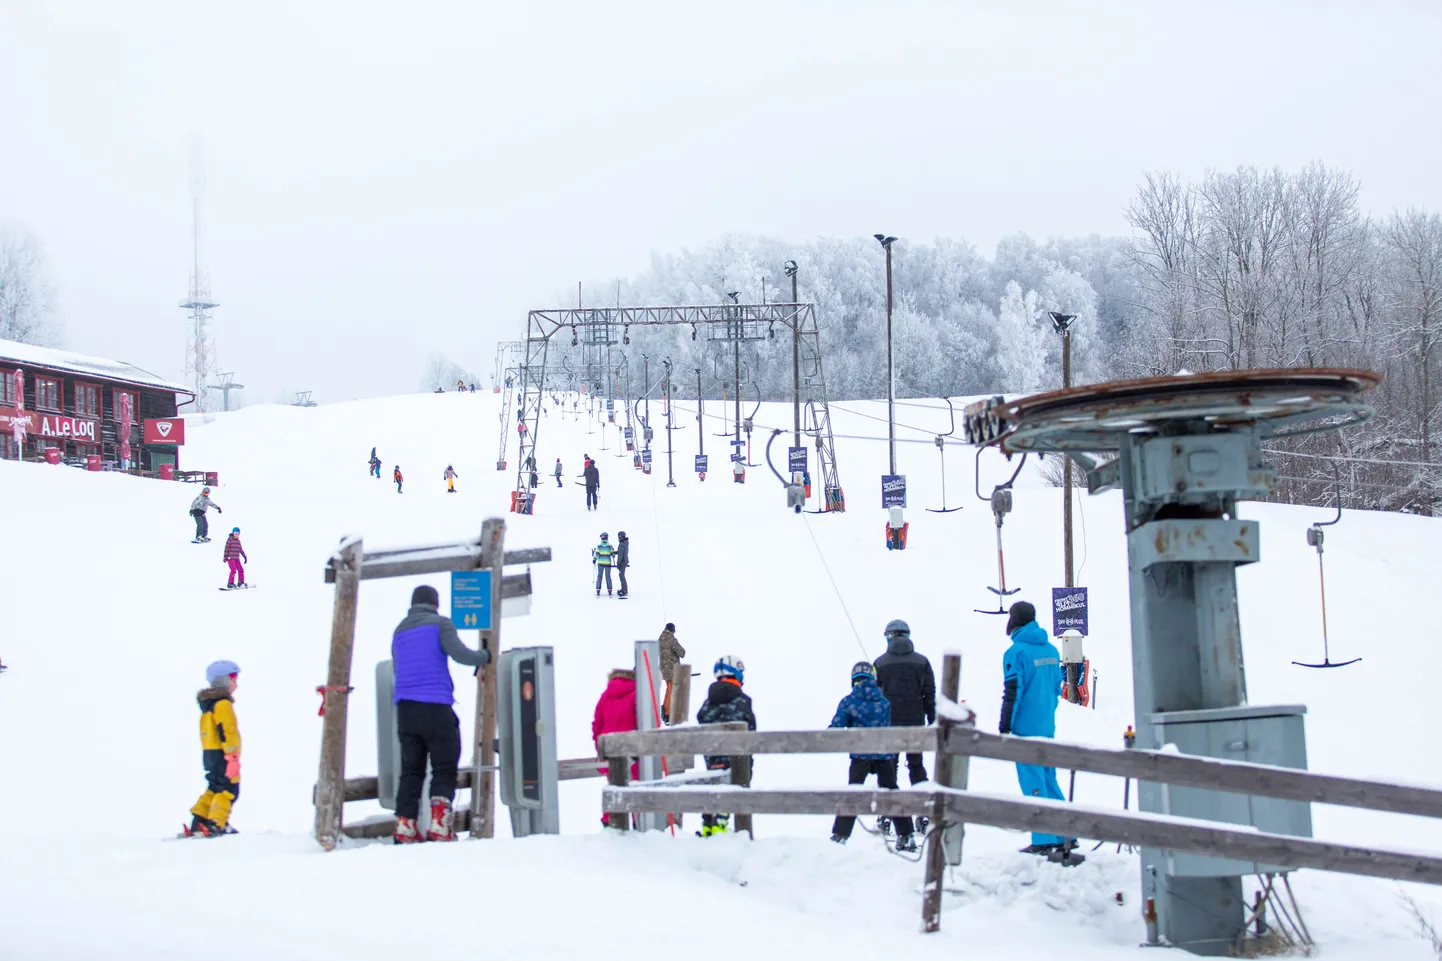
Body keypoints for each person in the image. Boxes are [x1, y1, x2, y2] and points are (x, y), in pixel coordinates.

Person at [391, 585, 490, 843]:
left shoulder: (399, 631)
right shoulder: (440, 624)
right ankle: (439, 825)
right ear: (435, 604)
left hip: (405, 710)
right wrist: (485, 655)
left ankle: (405, 827)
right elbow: (460, 654)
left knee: (411, 770)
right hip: (435, 707)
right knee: (444, 767)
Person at [1000, 600, 1077, 863]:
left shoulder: (1016, 653)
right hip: (1046, 724)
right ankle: (1065, 833)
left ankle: (1043, 839)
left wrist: (1005, 724)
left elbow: (1013, 691)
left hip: (1025, 728)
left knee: (1033, 782)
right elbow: (1058, 686)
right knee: (1048, 779)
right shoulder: (1051, 649)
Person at [827, 662, 917, 851]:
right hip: (884, 755)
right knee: (891, 792)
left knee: (853, 794)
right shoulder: (884, 702)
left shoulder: (849, 701)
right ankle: (906, 834)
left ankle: (840, 835)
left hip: (860, 755)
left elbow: (835, 728)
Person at [695, 656, 755, 837]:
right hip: (736, 757)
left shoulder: (708, 702)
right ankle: (722, 825)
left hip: (712, 757)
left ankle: (708, 825)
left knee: (713, 787)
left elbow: (701, 720)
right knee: (735, 788)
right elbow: (750, 728)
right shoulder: (742, 700)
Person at [873, 619, 936, 786]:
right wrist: (932, 717)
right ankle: (922, 802)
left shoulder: (879, 663)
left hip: (889, 720)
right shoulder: (922, 662)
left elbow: (875, 696)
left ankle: (889, 807)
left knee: (890, 764)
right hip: (915, 719)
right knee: (916, 763)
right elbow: (929, 693)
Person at [187, 660, 242, 837]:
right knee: (228, 789)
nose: (236, 684)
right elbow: (227, 731)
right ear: (223, 681)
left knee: (215, 786)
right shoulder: (222, 705)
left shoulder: (208, 706)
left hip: (210, 754)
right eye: (233, 679)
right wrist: (232, 756)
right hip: (223, 753)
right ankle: (217, 823)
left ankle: (200, 820)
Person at [591, 668, 639, 791]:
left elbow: (597, 726)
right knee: (639, 797)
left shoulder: (605, 697)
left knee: (615, 794)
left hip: (610, 754)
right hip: (634, 755)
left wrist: (601, 751)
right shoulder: (637, 695)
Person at [658, 622, 684, 722]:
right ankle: (668, 713)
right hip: (672, 670)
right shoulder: (671, 639)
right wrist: (675, 642)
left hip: (663, 670)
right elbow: (682, 653)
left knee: (668, 690)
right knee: (672, 691)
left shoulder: (660, 639)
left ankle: (664, 710)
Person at [592, 532, 615, 596]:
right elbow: (612, 554)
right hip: (608, 563)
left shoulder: (599, 546)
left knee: (599, 576)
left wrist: (594, 559)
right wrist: (613, 553)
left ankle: (598, 589)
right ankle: (609, 589)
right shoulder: (609, 546)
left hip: (600, 563)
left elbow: (597, 554)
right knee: (608, 577)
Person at [614, 530, 631, 598]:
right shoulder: (625, 543)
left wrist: (618, 564)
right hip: (625, 560)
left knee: (621, 576)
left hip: (622, 562)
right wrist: (615, 552)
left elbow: (620, 555)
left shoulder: (621, 544)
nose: (618, 538)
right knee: (622, 575)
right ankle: (624, 589)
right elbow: (621, 552)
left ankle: (624, 590)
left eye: (619, 537)